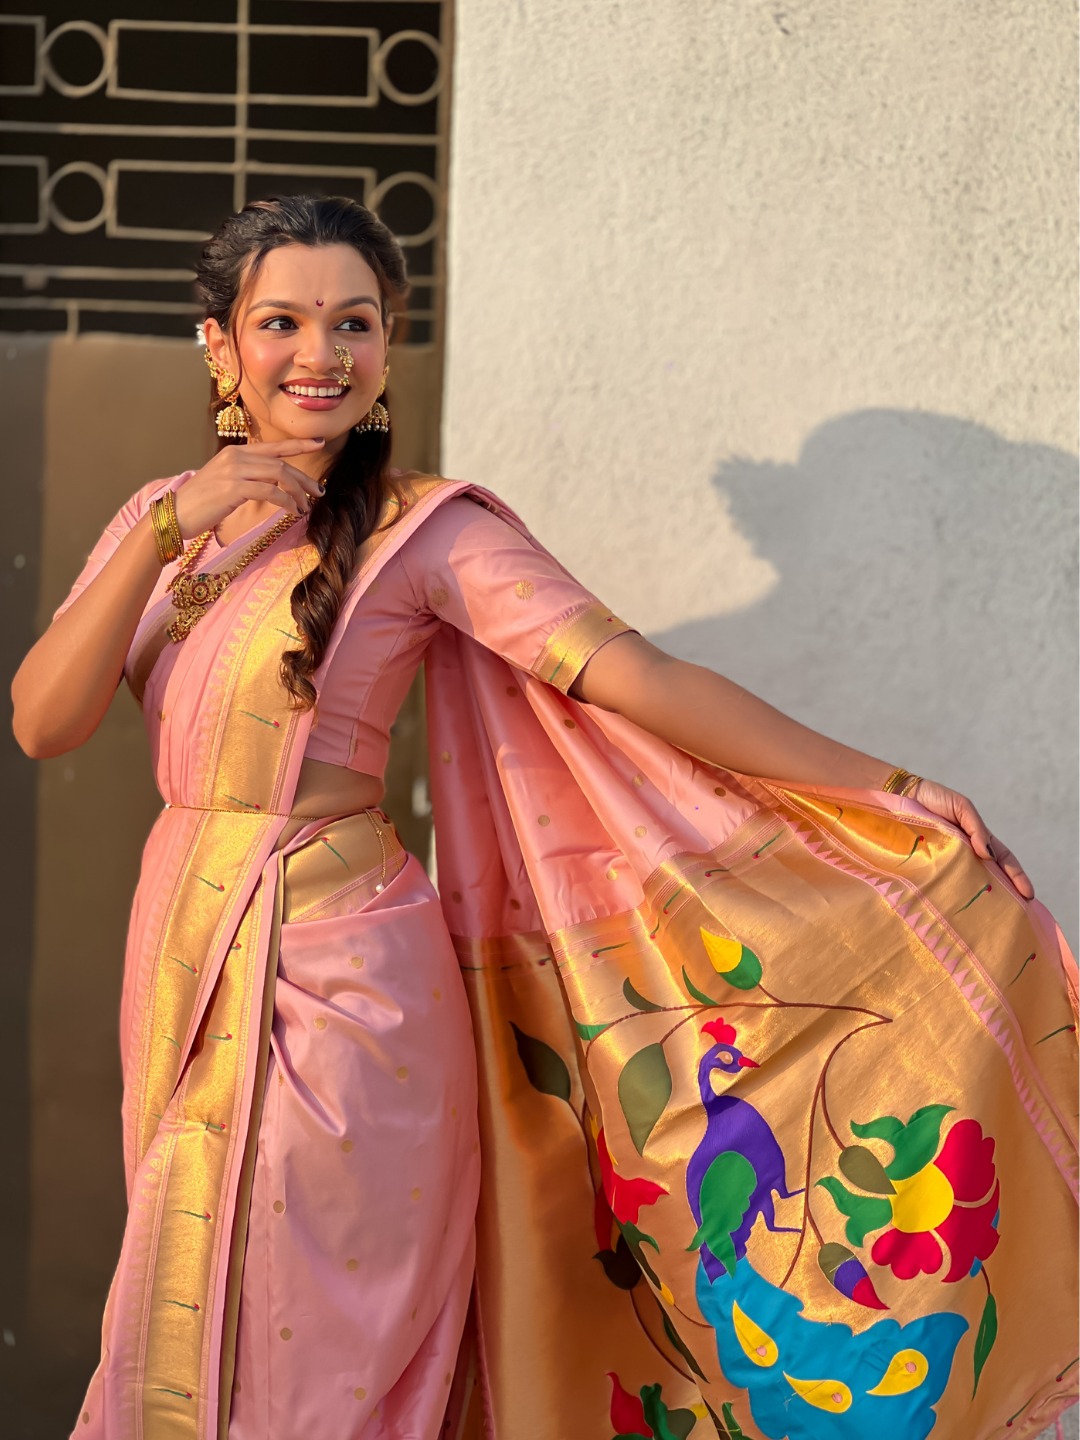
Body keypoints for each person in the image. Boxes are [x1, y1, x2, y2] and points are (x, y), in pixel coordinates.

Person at [11, 194, 1077, 1440]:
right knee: (191, 1305)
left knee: (309, 1329)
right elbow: (44, 720)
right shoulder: (165, 522)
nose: (321, 354)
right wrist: (164, 526)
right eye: (283, 322)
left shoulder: (429, 531)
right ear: (221, 344)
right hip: (190, 945)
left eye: (353, 322)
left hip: (341, 976)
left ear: (388, 339)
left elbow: (644, 680)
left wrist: (881, 786)